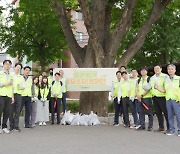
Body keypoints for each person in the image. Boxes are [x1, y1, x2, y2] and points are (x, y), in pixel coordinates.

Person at [156, 64, 180, 136]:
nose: (170, 70)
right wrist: (157, 88)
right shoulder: (166, 80)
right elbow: (164, 90)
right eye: (169, 69)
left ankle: (179, 131)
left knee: (179, 116)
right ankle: (172, 130)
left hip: (176, 100)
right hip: (168, 99)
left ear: (175, 70)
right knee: (170, 116)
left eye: (172, 69)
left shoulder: (178, 78)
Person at [150, 65, 169, 132]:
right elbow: (150, 87)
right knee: (158, 113)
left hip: (162, 97)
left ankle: (169, 128)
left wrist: (158, 88)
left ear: (161, 69)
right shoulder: (152, 78)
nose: (156, 70)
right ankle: (161, 127)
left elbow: (167, 87)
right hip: (154, 97)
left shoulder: (165, 76)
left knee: (166, 112)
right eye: (155, 69)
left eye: (158, 68)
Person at [0, 60, 14, 134]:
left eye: (9, 64)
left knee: (7, 112)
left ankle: (4, 127)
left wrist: (12, 97)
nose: (7, 65)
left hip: (8, 95)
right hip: (1, 95)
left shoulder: (11, 75)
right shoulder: (0, 73)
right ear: (3, 65)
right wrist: (6, 83)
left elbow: (12, 87)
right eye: (6, 64)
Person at [9, 63, 23, 132]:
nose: (18, 69)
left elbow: (23, 86)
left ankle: (16, 126)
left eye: (20, 68)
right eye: (17, 67)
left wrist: (21, 87)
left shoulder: (21, 77)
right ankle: (11, 126)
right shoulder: (11, 75)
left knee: (17, 111)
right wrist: (12, 96)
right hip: (12, 94)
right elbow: (10, 85)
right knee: (11, 111)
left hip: (19, 95)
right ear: (14, 67)